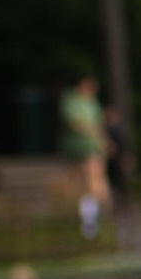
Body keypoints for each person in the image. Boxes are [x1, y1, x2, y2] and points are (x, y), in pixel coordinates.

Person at [60, 74, 110, 239]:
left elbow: (98, 124)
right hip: (78, 148)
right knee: (83, 183)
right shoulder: (71, 100)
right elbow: (74, 122)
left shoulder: (92, 103)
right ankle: (87, 222)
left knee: (95, 183)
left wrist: (103, 141)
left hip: (92, 148)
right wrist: (92, 131)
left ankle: (94, 220)